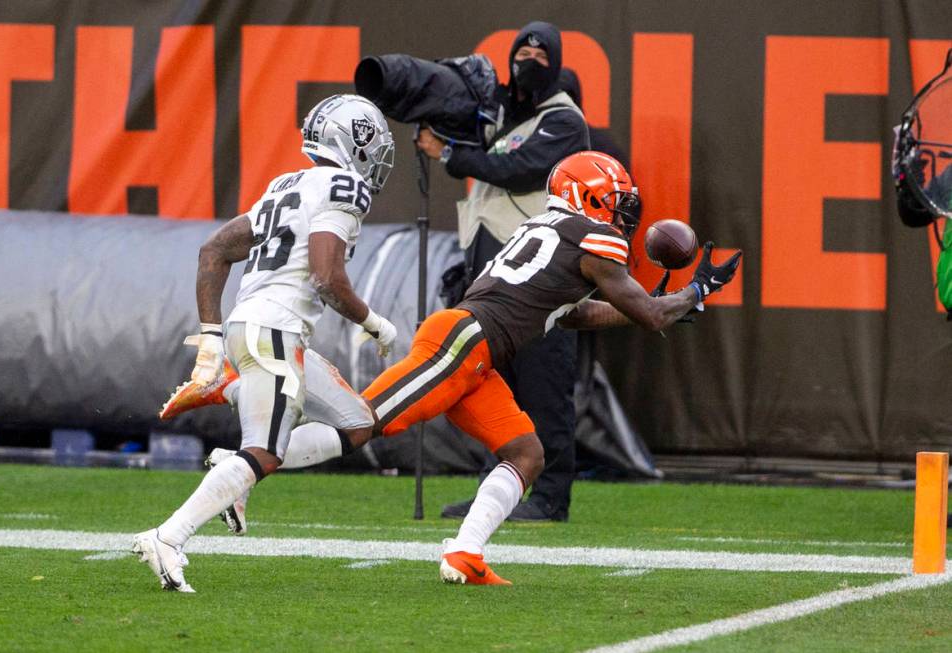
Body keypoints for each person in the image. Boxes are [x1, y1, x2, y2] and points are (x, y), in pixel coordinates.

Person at [167, 151, 742, 585]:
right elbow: (643, 312)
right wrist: (693, 292)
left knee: (527, 453)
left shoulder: (550, 229)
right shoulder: (592, 238)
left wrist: (665, 304)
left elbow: (572, 315)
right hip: (461, 346)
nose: (623, 215)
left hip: (477, 354)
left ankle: (464, 553)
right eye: (616, 202)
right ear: (589, 198)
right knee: (362, 424)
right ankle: (241, 459)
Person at [133, 94, 397, 593]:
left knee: (358, 423)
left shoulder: (287, 184)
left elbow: (214, 251)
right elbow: (325, 276)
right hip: (273, 333)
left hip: (257, 330)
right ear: (352, 141)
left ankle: (233, 464)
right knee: (266, 452)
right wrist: (374, 322)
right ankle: (168, 537)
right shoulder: (346, 185)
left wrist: (213, 335)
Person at [415, 21, 590, 522]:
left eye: (540, 55)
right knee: (493, 389)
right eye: (522, 53)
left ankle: (550, 497)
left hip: (542, 280)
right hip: (491, 276)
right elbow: (462, 123)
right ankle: (495, 491)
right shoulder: (499, 115)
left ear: (555, 65)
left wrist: (450, 155)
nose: (528, 60)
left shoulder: (564, 121)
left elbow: (519, 168)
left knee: (544, 386)